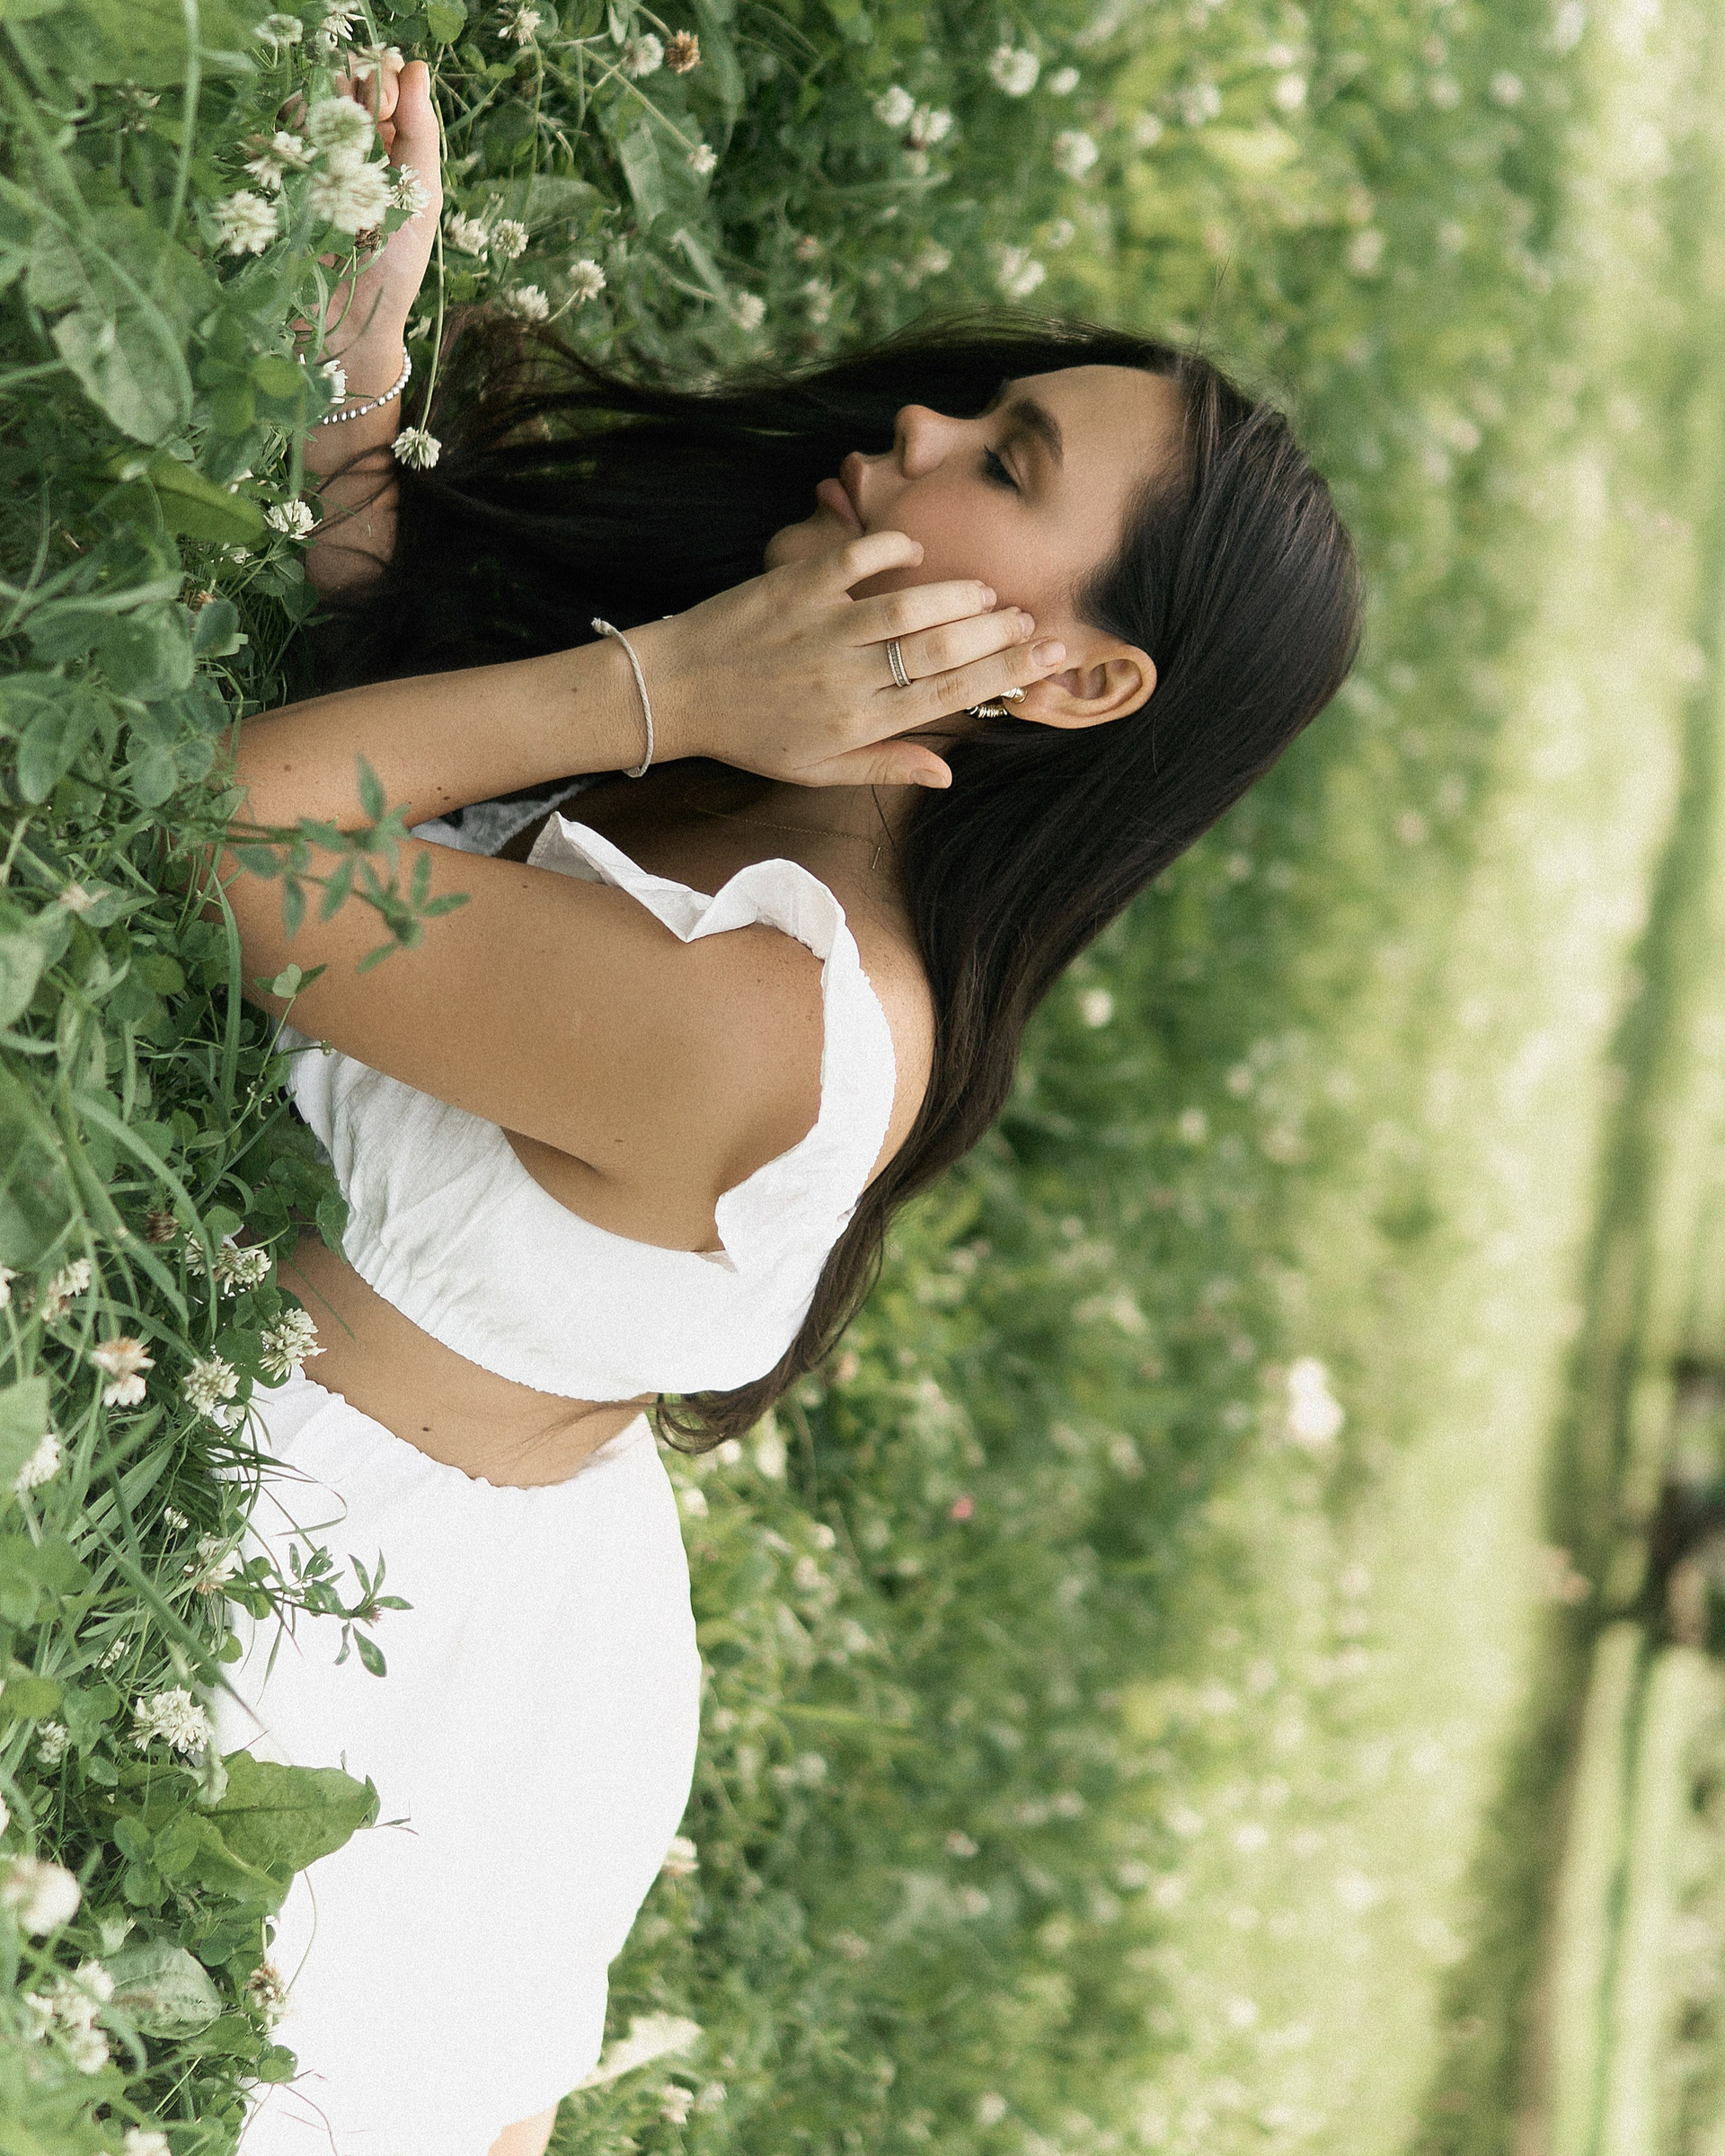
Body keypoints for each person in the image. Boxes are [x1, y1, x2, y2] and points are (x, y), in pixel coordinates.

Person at [205, 53, 1361, 2156]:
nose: (914, 434)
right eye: (983, 410)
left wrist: (656, 685)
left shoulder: (765, 1016)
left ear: (1073, 677)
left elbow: (205, 838)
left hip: (334, 1602)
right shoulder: (787, 777)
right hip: (509, 1588)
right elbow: (401, 738)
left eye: (1002, 463)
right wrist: (363, 369)